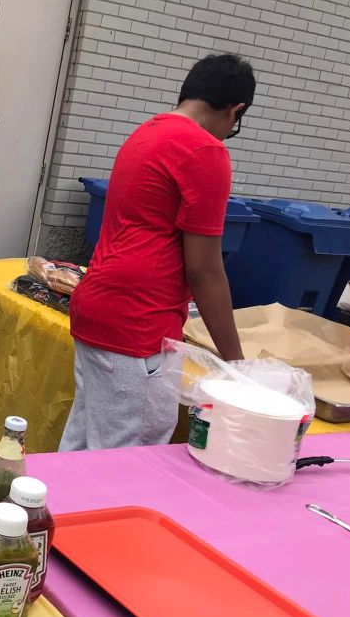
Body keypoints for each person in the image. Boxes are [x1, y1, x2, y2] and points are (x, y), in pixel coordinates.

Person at [59, 53, 254, 452]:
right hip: (138, 321)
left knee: (81, 449)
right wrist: (236, 364)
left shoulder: (147, 132)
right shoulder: (204, 150)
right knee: (126, 462)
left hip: (98, 305)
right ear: (235, 110)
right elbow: (205, 269)